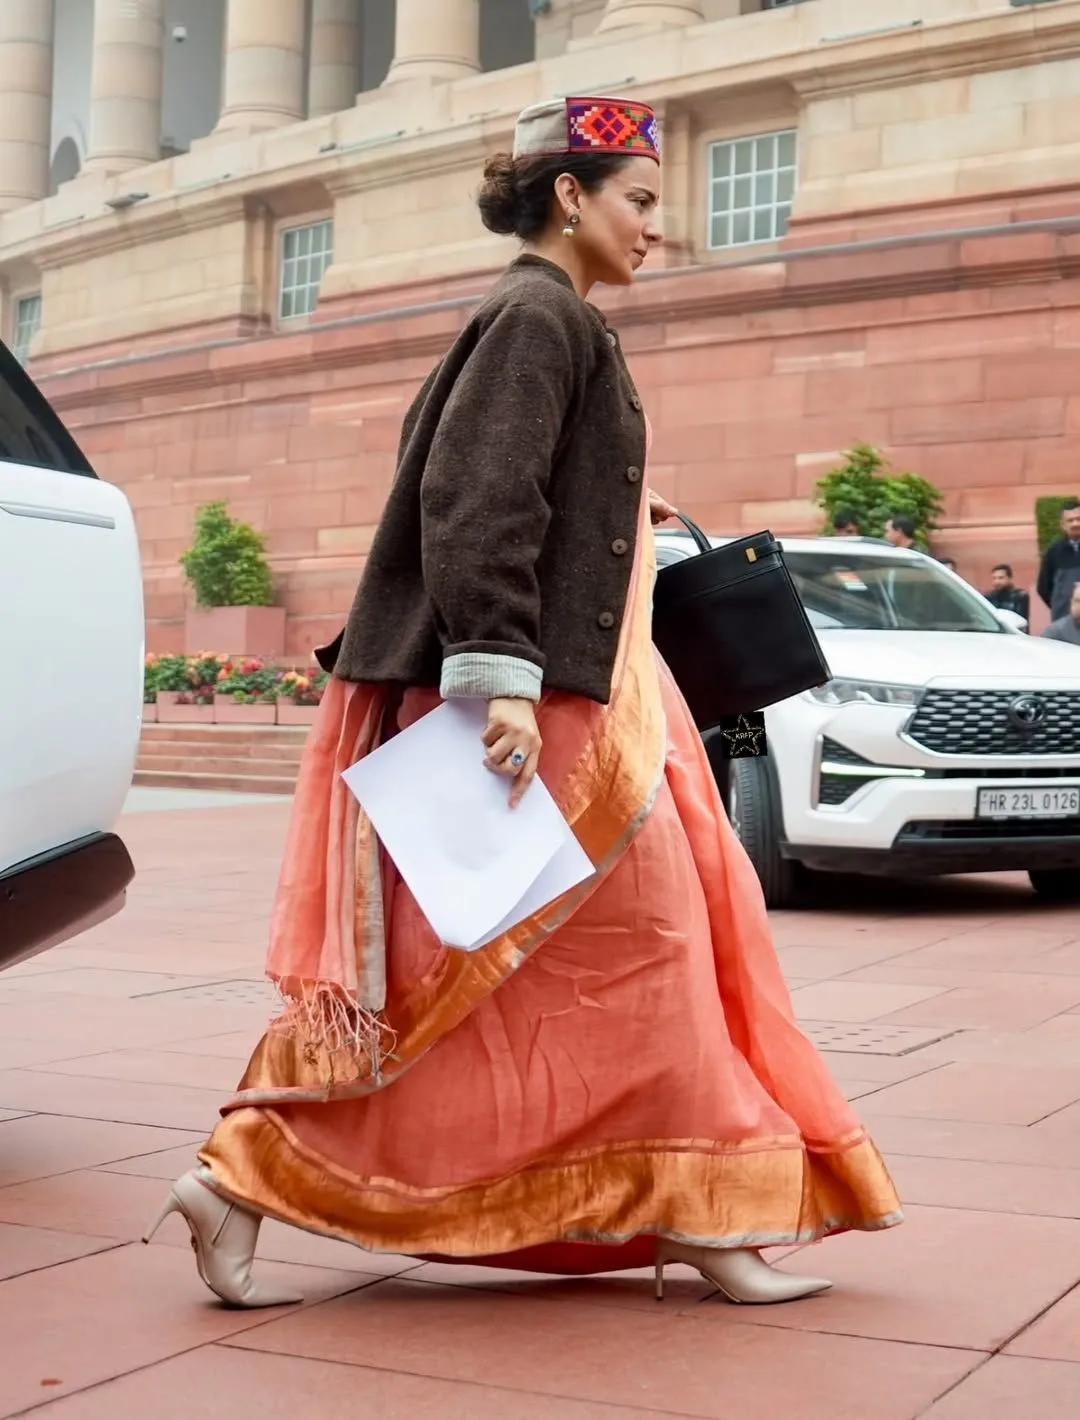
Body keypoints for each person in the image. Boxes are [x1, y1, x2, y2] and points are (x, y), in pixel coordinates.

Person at [145, 95, 901, 1311]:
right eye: (641, 201)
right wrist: (496, 677)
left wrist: (620, 517)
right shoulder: (539, 317)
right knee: (624, 951)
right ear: (570, 195)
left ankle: (250, 1183)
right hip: (542, 709)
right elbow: (477, 500)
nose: (659, 228)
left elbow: (517, 492)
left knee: (509, 971)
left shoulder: (546, 319)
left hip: (575, 694)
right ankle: (255, 1177)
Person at [1037, 499, 1080, 622]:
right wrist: (1060, 607)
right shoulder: (1053, 552)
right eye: (1070, 520)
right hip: (1064, 621)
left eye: (1078, 519)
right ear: (1063, 525)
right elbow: (1043, 588)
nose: (1075, 523)